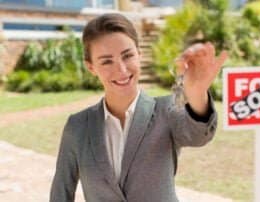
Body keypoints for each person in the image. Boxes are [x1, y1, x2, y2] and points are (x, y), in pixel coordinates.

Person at [50, 13, 228, 202]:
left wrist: (196, 93)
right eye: (107, 61)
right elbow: (61, 193)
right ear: (91, 67)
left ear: (139, 54)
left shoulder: (166, 111)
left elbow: (198, 134)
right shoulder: (77, 126)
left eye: (127, 56)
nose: (122, 69)